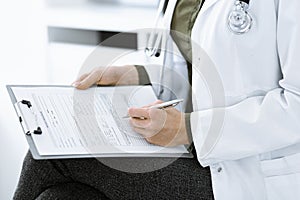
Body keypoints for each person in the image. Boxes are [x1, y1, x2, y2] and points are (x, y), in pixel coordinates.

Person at [14, 0, 300, 199]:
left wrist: (188, 128)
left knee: (50, 159)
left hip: (246, 177)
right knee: (61, 197)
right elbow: (194, 68)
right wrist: (138, 75)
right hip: (187, 154)